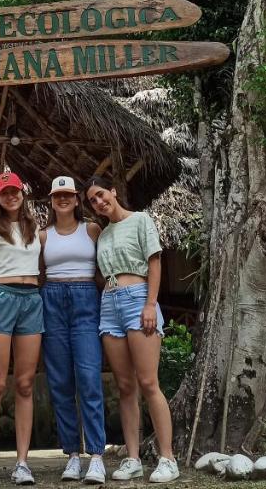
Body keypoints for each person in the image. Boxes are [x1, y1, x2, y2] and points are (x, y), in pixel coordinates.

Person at [83, 176, 179, 484]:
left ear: (112, 191)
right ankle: (133, 458)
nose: (98, 202)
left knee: (149, 382)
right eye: (92, 201)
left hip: (138, 299)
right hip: (108, 304)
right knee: (125, 386)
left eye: (101, 195)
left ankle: (168, 458)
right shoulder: (103, 233)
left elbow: (155, 262)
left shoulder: (140, 220)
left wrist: (150, 304)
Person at [0, 171, 43, 487]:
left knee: (26, 384)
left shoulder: (34, 226)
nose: (11, 196)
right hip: (1, 298)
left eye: (15, 190)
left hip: (32, 299)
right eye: (4, 192)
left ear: (22, 192)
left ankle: (22, 463)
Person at [39, 176, 107, 484]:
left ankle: (96, 455)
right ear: (51, 201)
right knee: (60, 382)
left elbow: (104, 270)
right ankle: (72, 455)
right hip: (52, 299)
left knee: (89, 378)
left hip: (85, 300)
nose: (63, 200)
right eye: (57, 196)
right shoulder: (42, 236)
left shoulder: (91, 229)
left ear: (77, 199)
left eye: (68, 195)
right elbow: (39, 274)